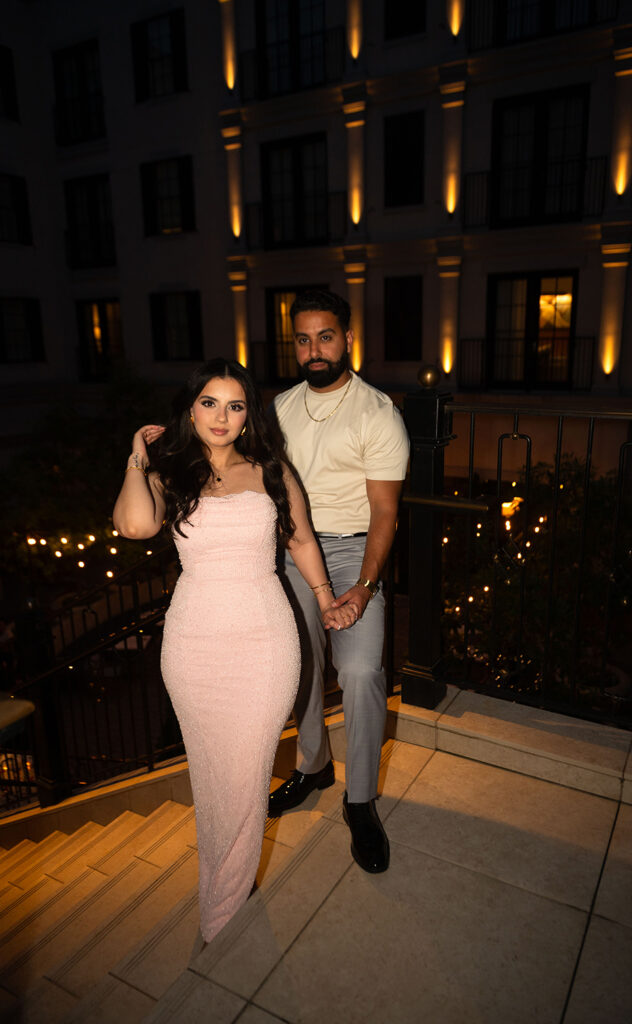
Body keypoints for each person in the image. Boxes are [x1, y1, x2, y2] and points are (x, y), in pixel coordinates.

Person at [113, 358, 354, 944]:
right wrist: (137, 459)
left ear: (250, 414)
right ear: (190, 409)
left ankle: (223, 901)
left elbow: (300, 539)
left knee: (246, 772)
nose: (222, 417)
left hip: (264, 640)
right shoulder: (168, 473)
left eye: (236, 405)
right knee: (212, 774)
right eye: (210, 403)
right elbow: (136, 527)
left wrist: (325, 600)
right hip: (194, 643)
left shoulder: (272, 469)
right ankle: (228, 884)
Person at [269, 290, 410, 874]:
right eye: (303, 339)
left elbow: (384, 513)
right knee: (296, 667)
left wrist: (366, 587)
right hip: (291, 549)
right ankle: (312, 766)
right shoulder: (277, 408)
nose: (313, 350)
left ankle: (360, 801)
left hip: (355, 552)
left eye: (325, 336)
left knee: (359, 671)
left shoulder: (377, 412)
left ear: (347, 339)